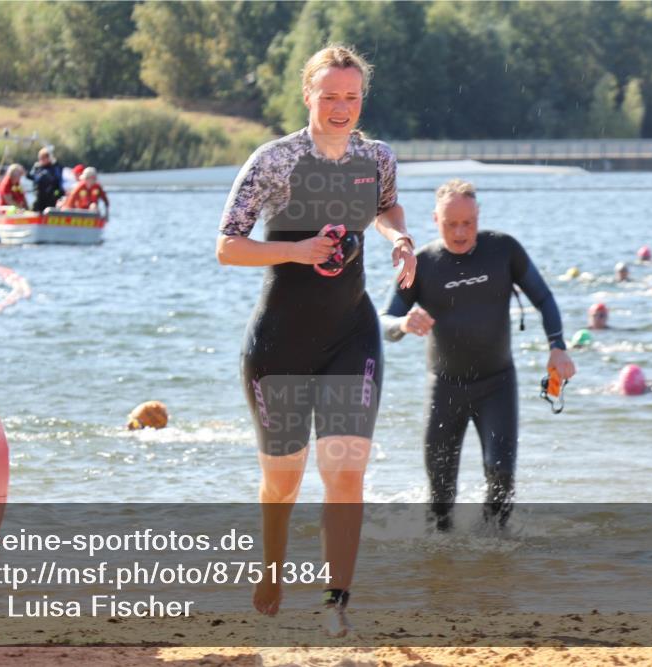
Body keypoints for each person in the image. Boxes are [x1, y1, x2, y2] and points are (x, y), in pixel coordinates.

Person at [216, 44, 416, 637]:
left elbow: (386, 207)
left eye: (351, 97)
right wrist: (296, 251)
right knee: (284, 478)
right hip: (278, 342)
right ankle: (272, 569)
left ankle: (337, 601)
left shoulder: (375, 156)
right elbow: (228, 245)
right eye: (329, 96)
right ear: (308, 95)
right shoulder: (275, 161)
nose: (340, 108)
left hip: (352, 333)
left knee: (345, 468)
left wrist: (399, 239)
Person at [380, 179, 575, 532]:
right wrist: (404, 323)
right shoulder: (422, 263)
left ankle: (493, 560)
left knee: (501, 479)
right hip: (444, 388)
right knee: (440, 496)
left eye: (468, 223)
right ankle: (442, 569)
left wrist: (557, 346)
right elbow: (383, 323)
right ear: (435, 219)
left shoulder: (503, 250)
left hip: (496, 385)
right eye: (451, 223)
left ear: (478, 216)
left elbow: (544, 298)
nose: (460, 232)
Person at [27, 147, 65, 212]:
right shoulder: (37, 167)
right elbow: (32, 177)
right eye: (40, 158)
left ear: (48, 158)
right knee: (36, 209)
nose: (41, 160)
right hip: (39, 195)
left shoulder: (55, 167)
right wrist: (26, 173)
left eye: (43, 158)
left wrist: (58, 194)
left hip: (51, 196)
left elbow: (58, 181)